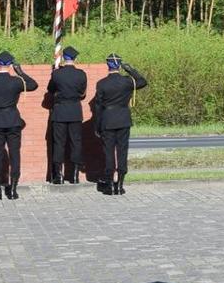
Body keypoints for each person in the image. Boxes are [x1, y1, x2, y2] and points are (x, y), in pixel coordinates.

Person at [0, 52, 39, 200]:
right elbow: (33, 85)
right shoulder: (16, 81)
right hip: (13, 121)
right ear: (11, 65)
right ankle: (13, 190)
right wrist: (20, 72)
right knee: (14, 155)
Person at [90, 54, 149, 195]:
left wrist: (97, 126)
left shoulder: (102, 83)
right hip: (123, 120)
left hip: (107, 121)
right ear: (120, 65)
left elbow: (97, 107)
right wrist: (130, 70)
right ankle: (120, 185)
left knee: (109, 152)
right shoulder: (127, 81)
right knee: (122, 151)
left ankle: (110, 185)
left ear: (108, 65)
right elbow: (142, 82)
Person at [47, 47, 88, 184]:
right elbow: (83, 94)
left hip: (59, 112)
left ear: (64, 58)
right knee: (76, 143)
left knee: (59, 143)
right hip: (75, 111)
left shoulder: (57, 74)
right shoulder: (81, 74)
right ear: (75, 58)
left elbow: (50, 90)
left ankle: (58, 175)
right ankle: (75, 175)